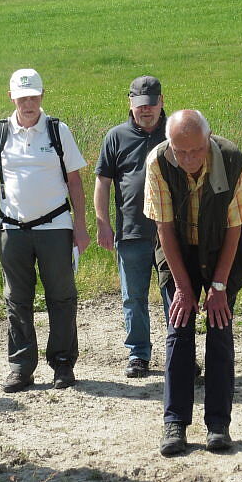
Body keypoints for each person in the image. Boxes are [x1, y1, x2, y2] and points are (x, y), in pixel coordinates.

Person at [144, 109, 242, 456]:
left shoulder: (233, 160)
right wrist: (183, 287)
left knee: (220, 328)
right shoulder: (158, 162)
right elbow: (163, 228)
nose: (189, 159)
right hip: (178, 249)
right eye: (181, 151)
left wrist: (219, 287)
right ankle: (175, 423)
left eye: (196, 150)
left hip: (222, 248)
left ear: (208, 141)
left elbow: (235, 227)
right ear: (170, 144)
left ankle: (218, 425)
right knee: (178, 328)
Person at [0, 69, 91, 393]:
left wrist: (80, 228)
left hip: (55, 226)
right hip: (12, 229)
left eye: (33, 96)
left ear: (42, 96)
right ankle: (21, 368)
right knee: (16, 299)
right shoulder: (0, 133)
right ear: (11, 97)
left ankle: (63, 365)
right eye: (22, 97)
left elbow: (75, 182)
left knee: (62, 297)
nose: (28, 103)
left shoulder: (58, 130)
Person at [94, 75, 168, 378]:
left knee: (175, 296)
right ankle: (138, 355)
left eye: (151, 105)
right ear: (130, 103)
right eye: (140, 106)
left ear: (161, 102)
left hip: (171, 233)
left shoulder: (176, 131)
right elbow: (103, 183)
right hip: (131, 231)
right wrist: (103, 224)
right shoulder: (116, 137)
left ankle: (181, 353)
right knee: (133, 296)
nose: (146, 111)